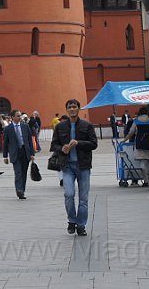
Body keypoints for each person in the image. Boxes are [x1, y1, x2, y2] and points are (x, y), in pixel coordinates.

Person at [51, 99, 98, 236]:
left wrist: (79, 143)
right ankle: (72, 220)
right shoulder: (60, 127)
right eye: (70, 107)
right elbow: (54, 145)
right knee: (69, 194)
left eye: (74, 107)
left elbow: (94, 144)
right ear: (66, 109)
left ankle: (81, 225)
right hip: (67, 166)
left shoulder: (87, 125)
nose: (72, 109)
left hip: (83, 166)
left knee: (83, 198)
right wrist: (62, 148)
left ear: (79, 109)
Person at [1, 108, 36, 200]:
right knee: (18, 172)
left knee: (24, 172)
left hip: (25, 152)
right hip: (15, 153)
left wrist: (32, 154)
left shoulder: (25, 126)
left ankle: (22, 191)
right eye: (18, 115)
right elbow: (5, 143)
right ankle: (19, 190)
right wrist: (5, 156)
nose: (20, 117)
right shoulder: (8, 129)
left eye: (20, 115)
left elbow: (29, 141)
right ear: (12, 117)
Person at [124, 105, 149, 185]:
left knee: (143, 163)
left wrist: (124, 140)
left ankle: (146, 181)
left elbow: (131, 132)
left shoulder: (137, 121)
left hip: (140, 143)